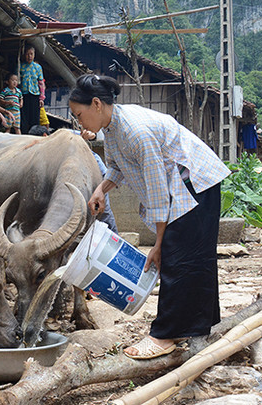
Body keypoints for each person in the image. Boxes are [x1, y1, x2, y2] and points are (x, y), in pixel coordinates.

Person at [69, 74, 230, 360]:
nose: (79, 123)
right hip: (180, 184)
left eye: (79, 115)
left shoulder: (135, 131)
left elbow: (157, 192)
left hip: (194, 181)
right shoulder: (113, 127)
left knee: (178, 256)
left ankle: (164, 334)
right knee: (187, 257)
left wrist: (157, 242)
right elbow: (117, 168)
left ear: (96, 104)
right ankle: (195, 327)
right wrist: (101, 189)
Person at [19, 45, 45, 134]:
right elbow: (17, 82)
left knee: (35, 117)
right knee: (24, 117)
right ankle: (25, 134)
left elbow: (41, 83)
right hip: (24, 95)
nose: (29, 56)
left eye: (31, 54)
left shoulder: (38, 67)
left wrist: (41, 98)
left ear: (34, 55)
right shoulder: (20, 66)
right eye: (27, 54)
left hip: (35, 95)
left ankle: (35, 135)